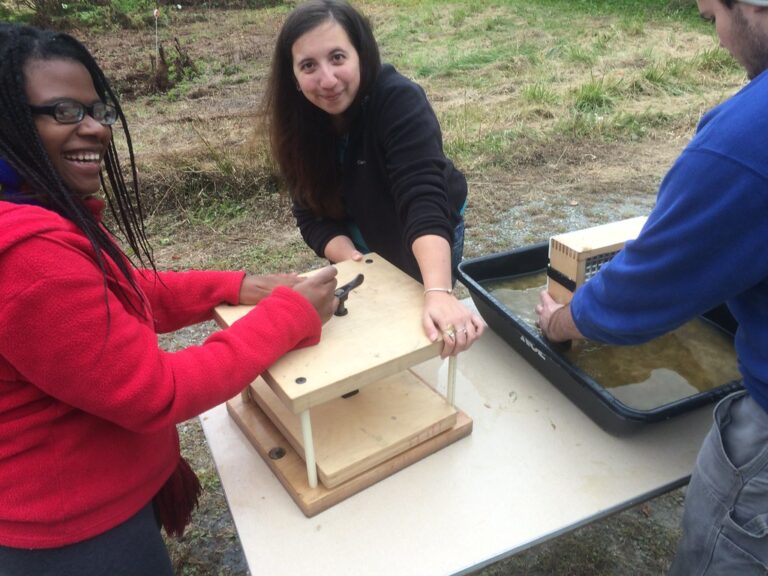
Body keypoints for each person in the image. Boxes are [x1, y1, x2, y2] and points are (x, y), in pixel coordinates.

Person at [0, 24, 339, 576]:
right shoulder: (25, 258)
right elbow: (156, 391)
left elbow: (115, 297)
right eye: (63, 111)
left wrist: (240, 286)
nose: (95, 129)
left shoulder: (36, 207)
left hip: (88, 497)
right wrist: (290, 315)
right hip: (75, 534)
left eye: (96, 110)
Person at [536, 1, 768, 573]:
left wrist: (558, 322)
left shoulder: (745, 138)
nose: (717, 39)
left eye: (714, 15)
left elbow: (640, 292)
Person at [262, 0, 485, 357]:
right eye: (309, 66)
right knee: (378, 315)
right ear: (294, 77)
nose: (328, 80)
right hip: (359, 228)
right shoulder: (295, 123)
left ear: (361, 55)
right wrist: (355, 259)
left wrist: (440, 294)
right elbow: (309, 214)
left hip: (426, 223)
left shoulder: (399, 100)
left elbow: (423, 199)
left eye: (337, 57)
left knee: (421, 313)